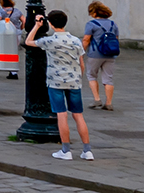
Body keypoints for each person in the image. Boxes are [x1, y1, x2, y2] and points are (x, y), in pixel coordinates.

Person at [25, 9, 94, 161]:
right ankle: (87, 150)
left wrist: (37, 26)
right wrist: (78, 78)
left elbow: (28, 41)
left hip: (55, 81)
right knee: (78, 114)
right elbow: (81, 63)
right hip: (74, 81)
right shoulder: (75, 40)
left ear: (50, 23)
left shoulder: (50, 41)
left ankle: (66, 150)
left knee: (61, 114)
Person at [82, 1, 120, 110]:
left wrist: (81, 51)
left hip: (95, 54)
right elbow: (116, 39)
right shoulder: (113, 24)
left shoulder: (91, 24)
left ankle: (97, 99)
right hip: (110, 53)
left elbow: (86, 39)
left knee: (91, 75)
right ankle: (108, 103)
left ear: (94, 12)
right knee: (108, 78)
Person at [0, 0, 22, 78]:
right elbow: (24, 20)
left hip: (5, 33)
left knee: (7, 51)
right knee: (14, 51)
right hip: (16, 32)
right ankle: (13, 71)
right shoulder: (16, 11)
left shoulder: (1, 11)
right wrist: (20, 27)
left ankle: (9, 68)